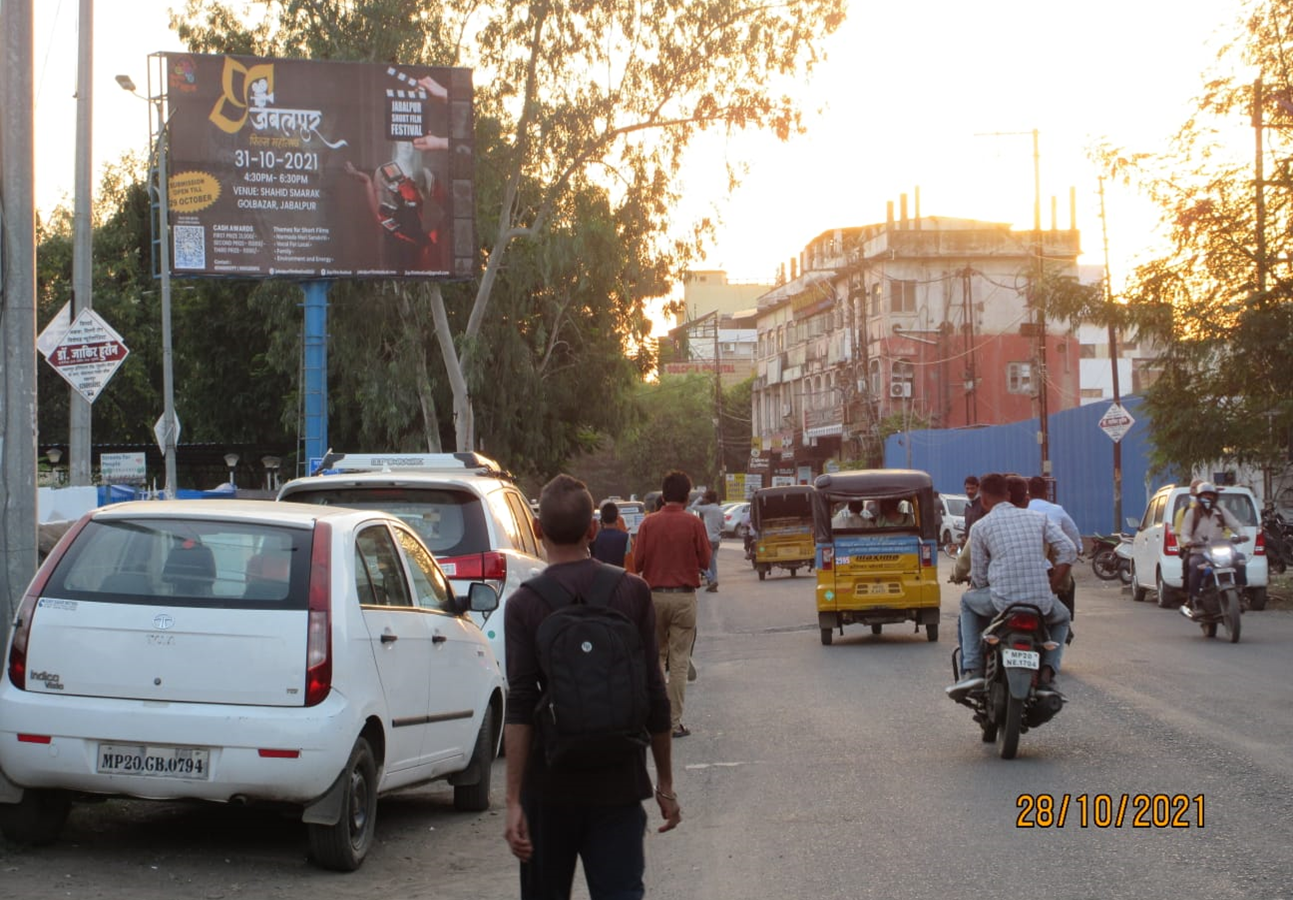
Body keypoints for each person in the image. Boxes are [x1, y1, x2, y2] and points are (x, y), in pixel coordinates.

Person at [504, 474, 680, 900]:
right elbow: (655, 695)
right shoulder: (632, 593)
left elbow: (522, 706)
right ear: (594, 530)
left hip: (548, 789)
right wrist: (665, 785)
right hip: (618, 784)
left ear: (538, 531)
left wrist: (513, 801)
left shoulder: (524, 604)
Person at [947, 472, 1075, 699]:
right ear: (1007, 495)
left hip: (1001, 603)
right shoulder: (1039, 519)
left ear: (983, 500)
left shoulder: (980, 527)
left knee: (967, 602)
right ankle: (1047, 674)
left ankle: (973, 668)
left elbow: (978, 577)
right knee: (1063, 616)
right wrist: (1052, 587)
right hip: (1040, 603)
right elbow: (1069, 549)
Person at [634, 470, 711, 738]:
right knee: (679, 661)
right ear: (687, 496)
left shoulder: (647, 524)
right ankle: (674, 722)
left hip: (654, 597)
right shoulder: (693, 524)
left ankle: (655, 720)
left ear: (663, 495)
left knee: (656, 657)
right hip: (684, 597)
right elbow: (704, 560)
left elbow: (638, 562)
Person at [1179, 481, 1248, 608]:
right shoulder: (1192, 513)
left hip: (1220, 550)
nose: (1208, 498)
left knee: (1240, 559)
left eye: (1210, 495)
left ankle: (1240, 592)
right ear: (1199, 497)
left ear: (1215, 497)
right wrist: (1188, 541)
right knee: (1195, 565)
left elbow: (1236, 525)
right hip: (1200, 552)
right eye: (1205, 495)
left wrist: (1242, 534)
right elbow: (1184, 533)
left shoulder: (1221, 512)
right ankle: (1193, 597)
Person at [1026, 476, 1082, 618]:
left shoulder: (1022, 509)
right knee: (1068, 586)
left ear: (1028, 493)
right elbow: (1073, 533)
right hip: (1050, 567)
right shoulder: (1056, 510)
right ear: (1046, 493)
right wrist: (1079, 548)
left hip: (1024, 568)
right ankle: (1066, 621)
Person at [689, 489, 725, 592]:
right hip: (717, 540)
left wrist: (700, 498)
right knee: (713, 562)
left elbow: (693, 506)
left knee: (702, 562)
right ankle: (714, 581)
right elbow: (723, 525)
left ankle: (711, 579)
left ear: (708, 499)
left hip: (708, 539)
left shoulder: (707, 509)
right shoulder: (720, 510)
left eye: (705, 498)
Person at [590, 501, 631, 567]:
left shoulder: (595, 537)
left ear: (602, 519)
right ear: (617, 518)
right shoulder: (625, 537)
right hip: (619, 574)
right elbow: (629, 561)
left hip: (599, 575)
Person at [960, 475, 984, 548]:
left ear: (978, 488)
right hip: (970, 545)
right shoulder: (968, 506)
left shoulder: (983, 504)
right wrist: (964, 536)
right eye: (967, 488)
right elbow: (967, 526)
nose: (969, 491)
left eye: (972, 488)